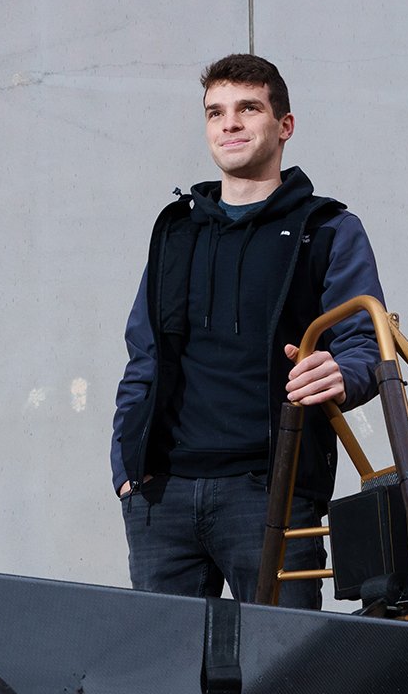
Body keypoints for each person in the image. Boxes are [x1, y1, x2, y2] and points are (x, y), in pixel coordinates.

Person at [110, 54, 386, 610]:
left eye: (247, 108)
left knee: (282, 680)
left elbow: (364, 343)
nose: (228, 124)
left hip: (271, 493)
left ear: (284, 126)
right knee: (165, 684)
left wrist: (343, 372)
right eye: (215, 113)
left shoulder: (327, 229)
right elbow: (144, 356)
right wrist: (125, 469)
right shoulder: (175, 232)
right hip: (161, 496)